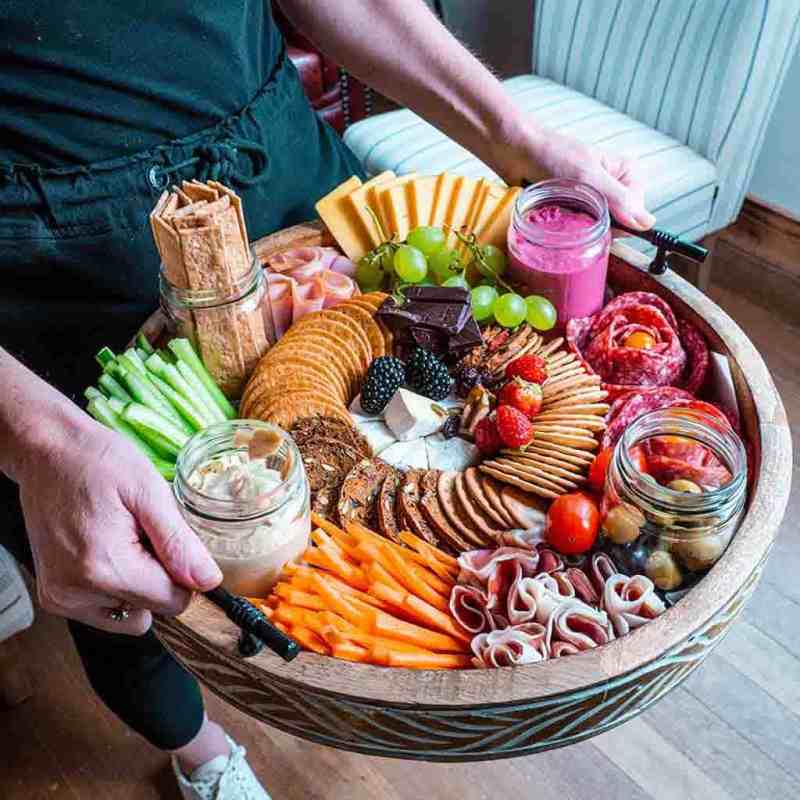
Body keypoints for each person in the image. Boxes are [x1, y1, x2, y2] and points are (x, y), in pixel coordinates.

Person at [0, 2, 654, 798]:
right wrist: (35, 434)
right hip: (55, 254)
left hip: (275, 161)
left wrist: (520, 138)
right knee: (126, 577)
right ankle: (198, 749)